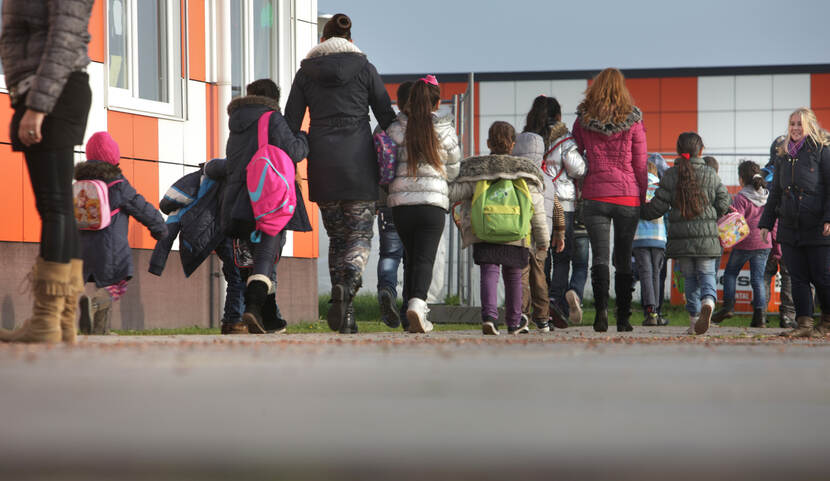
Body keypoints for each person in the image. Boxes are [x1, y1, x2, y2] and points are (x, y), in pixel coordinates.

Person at [284, 13, 397, 334]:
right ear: (350, 41)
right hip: (360, 166)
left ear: (322, 41)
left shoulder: (306, 73)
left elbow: (291, 123)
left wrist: (290, 162)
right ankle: (348, 280)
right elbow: (386, 116)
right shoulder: (365, 68)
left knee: (336, 238)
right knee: (360, 236)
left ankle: (345, 316)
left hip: (321, 165)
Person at [0, 0, 95, 343]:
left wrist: (38, 107)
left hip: (52, 93)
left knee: (54, 206)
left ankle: (46, 320)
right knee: (60, 208)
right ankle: (63, 320)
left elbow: (63, 39)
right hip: (50, 90)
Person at [217, 79, 310, 334]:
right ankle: (254, 308)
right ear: (274, 100)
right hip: (267, 198)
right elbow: (294, 152)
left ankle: (268, 319)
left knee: (251, 262)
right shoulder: (271, 118)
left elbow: (232, 163)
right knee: (265, 258)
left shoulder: (235, 123)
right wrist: (303, 137)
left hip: (237, 200)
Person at [449, 122, 550, 335]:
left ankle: (489, 317)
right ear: (513, 145)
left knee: (489, 272)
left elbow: (454, 193)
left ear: (488, 143)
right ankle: (514, 322)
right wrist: (543, 240)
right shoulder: (525, 172)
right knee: (514, 275)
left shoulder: (477, 171)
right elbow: (538, 210)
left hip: (484, 231)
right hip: (516, 233)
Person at [572, 68, 648, 333]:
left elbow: (575, 159)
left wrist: (580, 188)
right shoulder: (634, 120)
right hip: (628, 196)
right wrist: (642, 194)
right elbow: (640, 163)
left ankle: (601, 311)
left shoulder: (583, 120)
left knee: (600, 257)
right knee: (624, 258)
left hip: (594, 195)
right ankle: (624, 318)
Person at [73, 132, 168, 334]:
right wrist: (159, 227)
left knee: (103, 282)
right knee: (116, 283)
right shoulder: (117, 184)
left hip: (83, 247)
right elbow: (140, 207)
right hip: (111, 247)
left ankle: (99, 330)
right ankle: (94, 304)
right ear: (114, 158)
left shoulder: (80, 184)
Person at [386, 75, 460, 333]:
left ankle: (409, 312)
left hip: (401, 206)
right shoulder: (445, 130)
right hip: (432, 204)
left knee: (411, 256)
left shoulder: (394, 129)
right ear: (436, 103)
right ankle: (418, 305)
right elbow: (453, 171)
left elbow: (386, 165)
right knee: (424, 259)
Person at [642, 132, 731, 335]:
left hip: (681, 241)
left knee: (690, 278)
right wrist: (711, 216)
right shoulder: (710, 173)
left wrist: (638, 212)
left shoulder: (673, 175)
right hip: (707, 239)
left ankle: (693, 321)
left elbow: (658, 206)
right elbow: (725, 200)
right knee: (707, 274)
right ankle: (708, 302)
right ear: (701, 151)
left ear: (678, 151)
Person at [759, 107, 830, 338]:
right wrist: (766, 223)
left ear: (809, 125)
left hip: (817, 224)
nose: (795, 128)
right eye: (792, 124)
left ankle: (827, 322)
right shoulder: (782, 155)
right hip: (789, 226)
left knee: (821, 276)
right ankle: (804, 323)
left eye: (800, 124)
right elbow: (776, 192)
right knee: (797, 276)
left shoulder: (822, 151)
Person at [522, 95, 587, 326]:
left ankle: (539, 305)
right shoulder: (565, 139)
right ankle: (555, 300)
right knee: (562, 254)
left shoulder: (527, 138)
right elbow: (578, 169)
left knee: (540, 254)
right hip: (563, 202)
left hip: (535, 201)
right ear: (558, 115)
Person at [512, 131, 566, 331]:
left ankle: (522, 315)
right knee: (540, 276)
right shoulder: (547, 179)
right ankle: (543, 318)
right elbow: (558, 208)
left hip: (521, 233)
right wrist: (560, 233)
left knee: (521, 275)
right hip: (543, 234)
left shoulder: (516, 176)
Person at [712, 160, 773, 328]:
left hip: (744, 243)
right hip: (764, 242)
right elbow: (774, 222)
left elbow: (735, 220)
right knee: (758, 279)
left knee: (731, 273)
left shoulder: (741, 197)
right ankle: (760, 317)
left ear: (741, 179)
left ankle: (728, 306)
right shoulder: (768, 196)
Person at [376, 81, 413, 330]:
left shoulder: (385, 127)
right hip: (418, 202)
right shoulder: (427, 128)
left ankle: (387, 289)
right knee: (415, 258)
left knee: (389, 254)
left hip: (389, 200)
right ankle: (409, 308)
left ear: (398, 102)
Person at [761, 137, 796, 329]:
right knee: (788, 275)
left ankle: (761, 314)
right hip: (786, 232)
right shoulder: (792, 173)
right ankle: (788, 316)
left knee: (764, 275)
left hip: (765, 234)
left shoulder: (762, 174)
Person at [632, 159, 667, 326]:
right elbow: (667, 214)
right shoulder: (661, 189)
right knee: (656, 274)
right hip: (659, 238)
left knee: (645, 273)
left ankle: (650, 312)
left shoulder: (636, 188)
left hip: (639, 238)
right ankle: (657, 312)